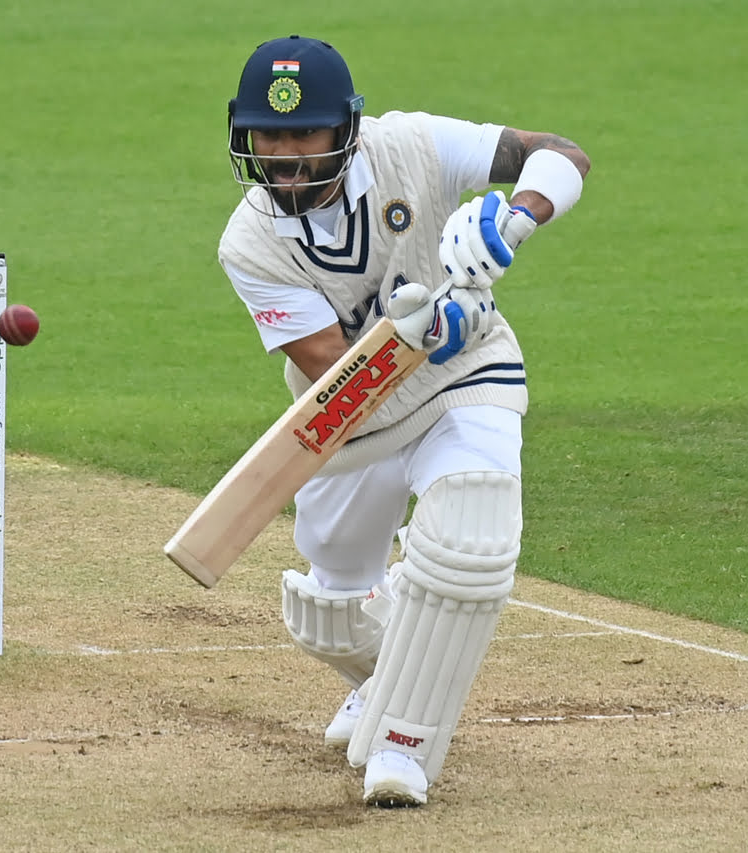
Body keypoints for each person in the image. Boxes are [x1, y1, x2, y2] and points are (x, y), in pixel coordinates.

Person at [218, 35, 590, 806]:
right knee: (329, 614)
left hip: (469, 379)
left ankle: (404, 746)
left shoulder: (412, 146)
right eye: (268, 134)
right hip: (350, 417)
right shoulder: (249, 244)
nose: (284, 155)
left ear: (346, 128)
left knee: (472, 535)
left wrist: (511, 222)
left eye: (304, 132)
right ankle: (381, 680)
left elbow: (561, 154)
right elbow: (338, 371)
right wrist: (431, 328)